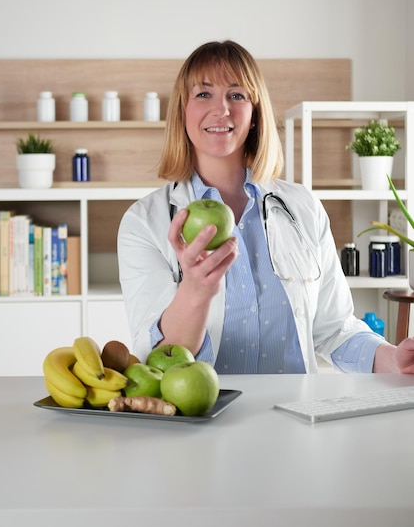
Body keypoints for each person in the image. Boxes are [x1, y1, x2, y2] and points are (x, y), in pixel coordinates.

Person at [117, 39, 414, 374]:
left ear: (255, 113)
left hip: (296, 418)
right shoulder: (143, 223)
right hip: (203, 421)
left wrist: (394, 359)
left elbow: (335, 330)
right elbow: (159, 356)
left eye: (236, 94)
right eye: (203, 94)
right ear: (182, 112)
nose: (222, 109)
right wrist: (196, 291)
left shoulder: (303, 208)